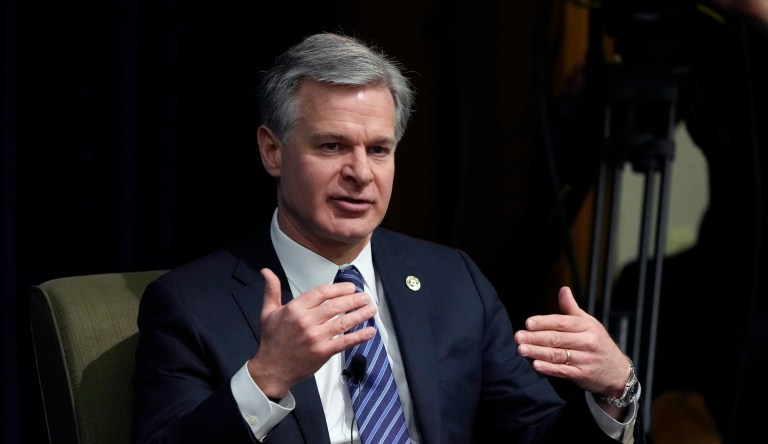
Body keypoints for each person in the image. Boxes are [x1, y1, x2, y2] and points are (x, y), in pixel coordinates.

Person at [132, 32, 644, 443]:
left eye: (379, 150)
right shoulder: (191, 304)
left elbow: (536, 434)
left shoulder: (452, 280)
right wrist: (265, 378)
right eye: (332, 146)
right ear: (273, 151)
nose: (360, 173)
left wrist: (613, 391)